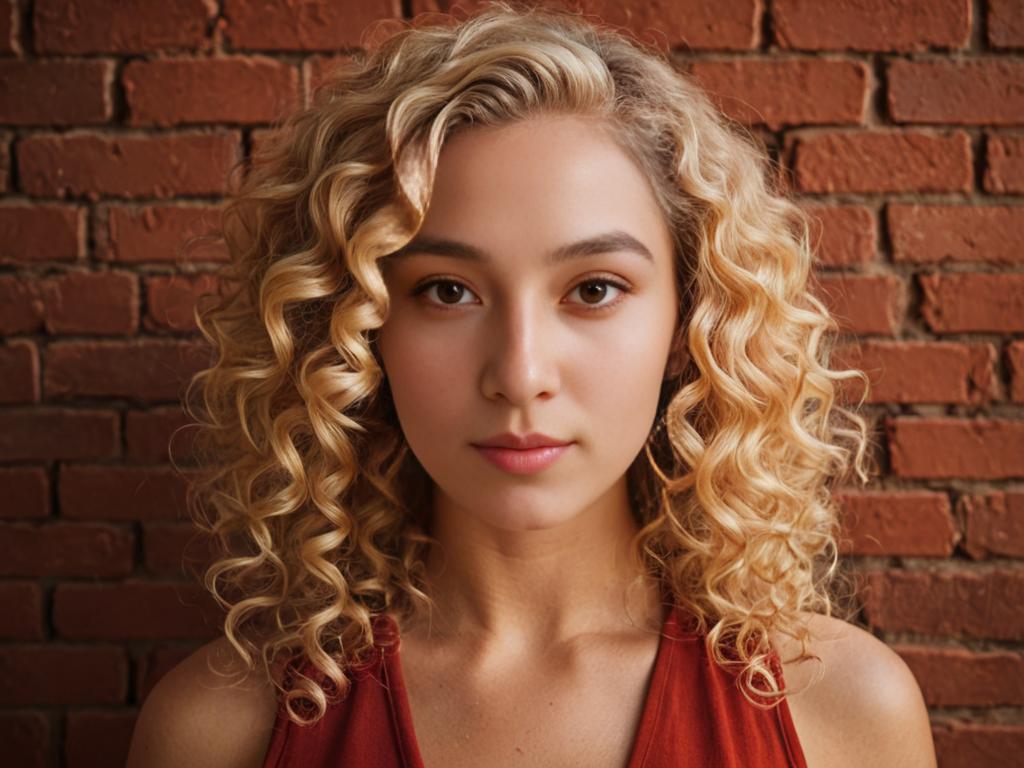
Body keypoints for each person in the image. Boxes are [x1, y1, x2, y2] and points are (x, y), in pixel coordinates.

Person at [126, 2, 937, 767]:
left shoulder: (841, 711)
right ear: (359, 326)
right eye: (447, 290)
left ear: (692, 323)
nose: (520, 375)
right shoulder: (217, 732)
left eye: (593, 289)